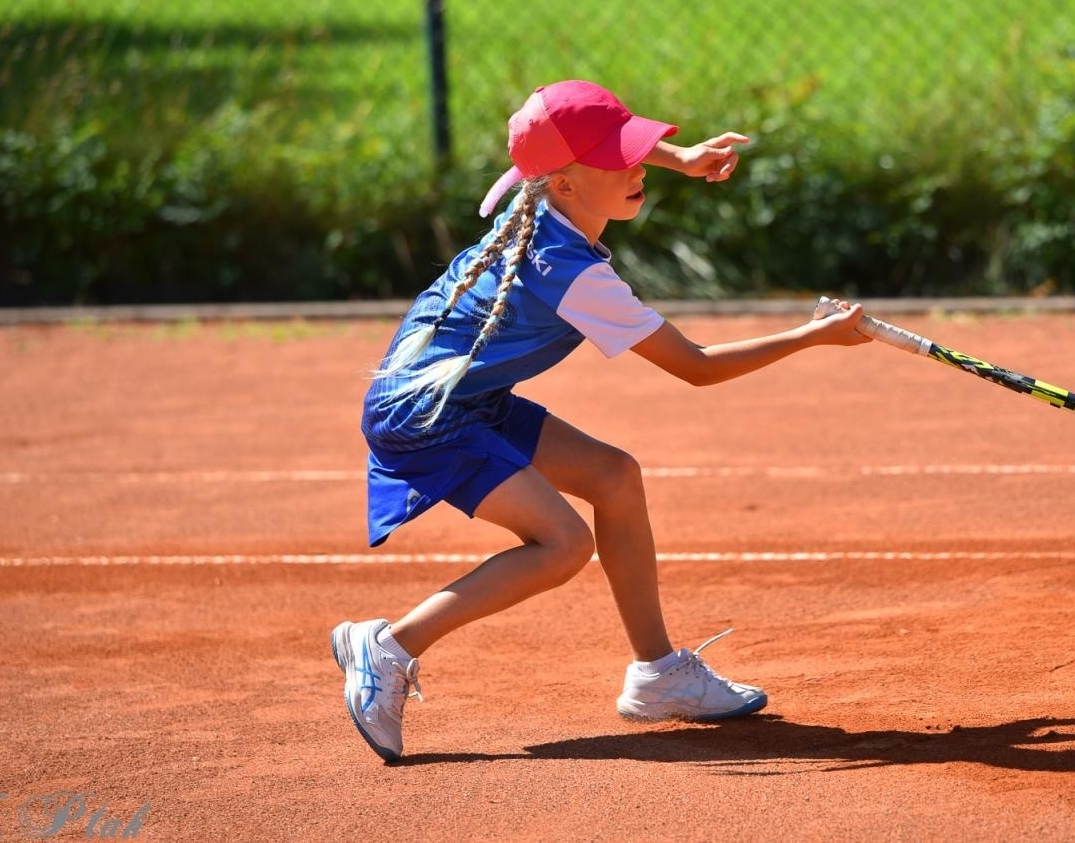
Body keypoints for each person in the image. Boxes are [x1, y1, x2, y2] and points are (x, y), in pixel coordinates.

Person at [332, 79, 871, 762]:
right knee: (562, 544)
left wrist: (682, 158)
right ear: (563, 184)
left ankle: (658, 675)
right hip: (429, 417)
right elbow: (697, 366)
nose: (637, 166)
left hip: (464, 399)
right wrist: (812, 336)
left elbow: (573, 160)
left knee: (614, 476)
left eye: (637, 150)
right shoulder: (574, 274)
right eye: (621, 158)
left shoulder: (537, 200)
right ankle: (388, 647)